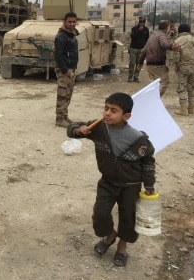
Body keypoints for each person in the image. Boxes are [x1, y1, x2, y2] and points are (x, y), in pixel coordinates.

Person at [66, 92, 156, 267]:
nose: (107, 113)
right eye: (106, 108)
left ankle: (122, 247)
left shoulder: (138, 138)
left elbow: (148, 160)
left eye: (113, 110)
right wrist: (78, 130)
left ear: (126, 116)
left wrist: (149, 183)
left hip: (131, 186)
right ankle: (109, 235)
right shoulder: (99, 127)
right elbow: (72, 129)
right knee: (100, 214)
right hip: (107, 182)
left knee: (128, 218)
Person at [172, 24, 194, 116]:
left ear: (180, 31)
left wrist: (176, 65)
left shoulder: (177, 41)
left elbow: (176, 56)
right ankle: (191, 108)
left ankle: (183, 109)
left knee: (182, 87)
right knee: (191, 86)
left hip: (183, 66)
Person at [137, 20, 177, 97]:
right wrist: (172, 47)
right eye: (169, 27)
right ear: (167, 27)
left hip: (150, 64)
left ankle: (151, 99)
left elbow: (144, 50)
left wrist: (140, 62)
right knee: (164, 82)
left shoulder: (153, 36)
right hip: (158, 64)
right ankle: (152, 99)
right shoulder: (161, 35)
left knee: (154, 84)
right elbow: (164, 44)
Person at [54, 12, 79, 128]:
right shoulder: (62, 36)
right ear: (64, 22)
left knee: (68, 94)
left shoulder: (71, 35)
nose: (72, 24)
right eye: (70, 22)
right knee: (63, 94)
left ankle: (64, 115)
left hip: (71, 69)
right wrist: (65, 70)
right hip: (65, 70)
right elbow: (58, 55)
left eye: (74, 22)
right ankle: (59, 119)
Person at [128, 17, 149, 82]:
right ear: (139, 22)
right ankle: (130, 77)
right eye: (141, 22)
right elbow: (132, 37)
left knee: (139, 63)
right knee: (132, 63)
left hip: (141, 49)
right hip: (133, 48)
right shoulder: (134, 29)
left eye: (143, 22)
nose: (142, 24)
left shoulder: (146, 29)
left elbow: (147, 39)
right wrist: (139, 31)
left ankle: (136, 77)